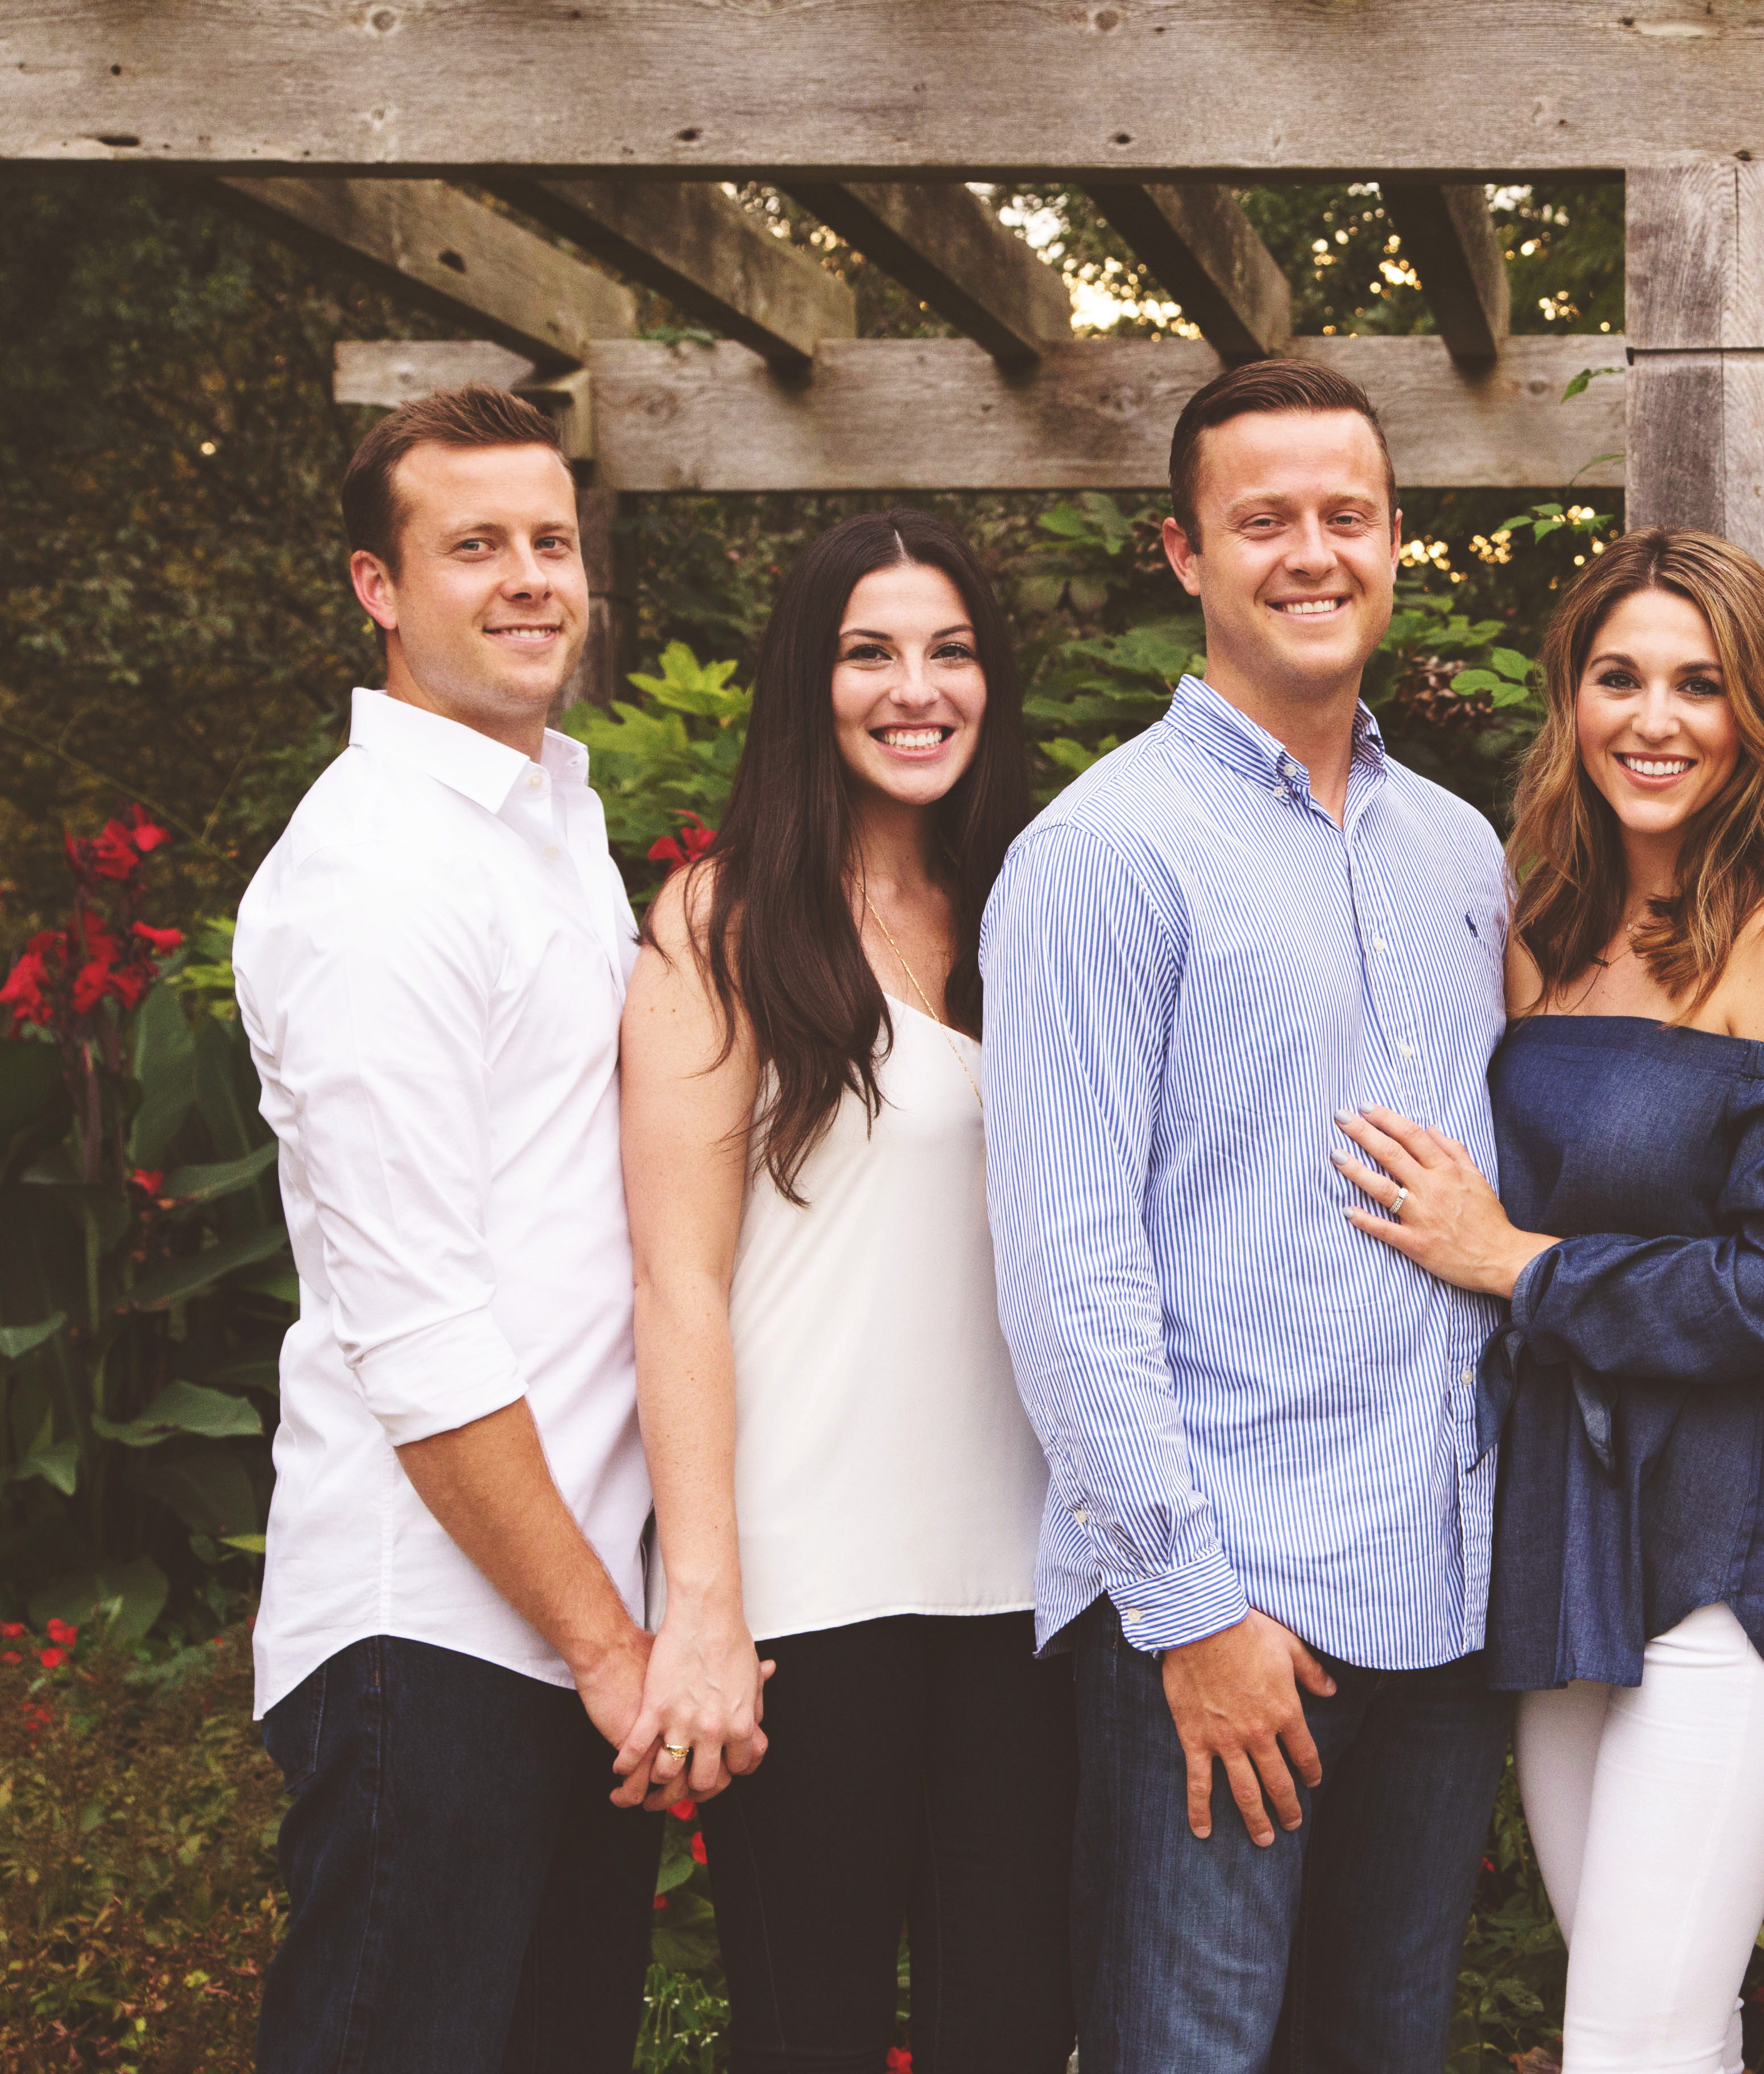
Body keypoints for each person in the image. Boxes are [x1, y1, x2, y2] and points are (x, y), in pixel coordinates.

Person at [982, 359, 1513, 2073]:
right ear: (1185, 553)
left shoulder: (1460, 850)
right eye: (1263, 519)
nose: (1311, 553)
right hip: (1222, 1615)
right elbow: (1068, 1268)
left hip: (1440, 1605)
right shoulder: (1102, 852)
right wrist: (1192, 1608)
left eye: (1346, 516)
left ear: (1396, 539)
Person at [1334, 528, 1764, 2074]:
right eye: (1619, 678)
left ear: (1755, 714)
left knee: (1630, 2044)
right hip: (1566, 1545)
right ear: (1570, 700)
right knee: (1665, 2032)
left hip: (1729, 1552)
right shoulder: (1545, 932)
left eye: (1699, 686)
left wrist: (1522, 1265)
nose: (1655, 720)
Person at [236, 383, 663, 2069]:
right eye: (475, 546)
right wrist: (608, 1647)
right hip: (434, 1628)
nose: (530, 579)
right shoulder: (378, 876)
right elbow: (413, 1331)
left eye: (551, 541)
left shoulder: (547, 827)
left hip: (557, 1620)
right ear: (379, 586)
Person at [617, 509, 1070, 2071]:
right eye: (870, 653)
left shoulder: (1029, 916)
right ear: (808, 684)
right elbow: (677, 1280)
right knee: (807, 2034)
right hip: (811, 1584)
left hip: (1026, 1584)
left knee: (1014, 2033)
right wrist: (704, 1606)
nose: (916, 689)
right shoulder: (723, 921)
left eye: (951, 651)